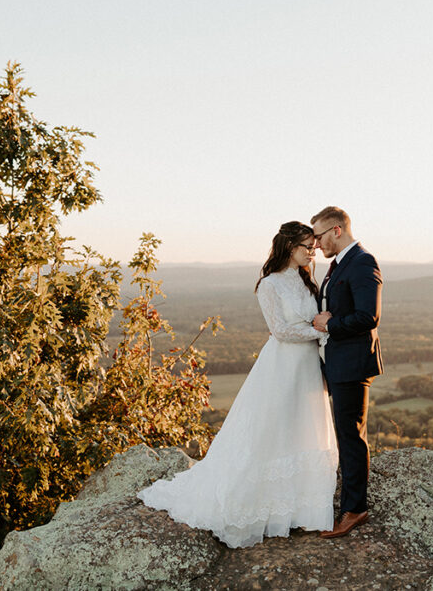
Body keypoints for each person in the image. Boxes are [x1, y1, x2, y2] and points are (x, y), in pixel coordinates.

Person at [136, 222, 338, 548]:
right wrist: (324, 331)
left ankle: (301, 507)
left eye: (313, 246)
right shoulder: (270, 285)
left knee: (302, 427)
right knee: (273, 429)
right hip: (283, 365)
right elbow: (281, 331)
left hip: (307, 368)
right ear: (289, 247)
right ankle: (262, 503)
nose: (312, 251)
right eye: (306, 246)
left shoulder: (306, 280)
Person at [310, 206, 384, 539]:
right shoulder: (339, 264)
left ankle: (355, 509)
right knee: (344, 433)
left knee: (350, 437)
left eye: (319, 236)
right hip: (338, 362)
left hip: (353, 365)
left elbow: (369, 316)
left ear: (337, 230)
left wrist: (331, 324)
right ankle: (349, 504)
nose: (316, 243)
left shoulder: (363, 262)